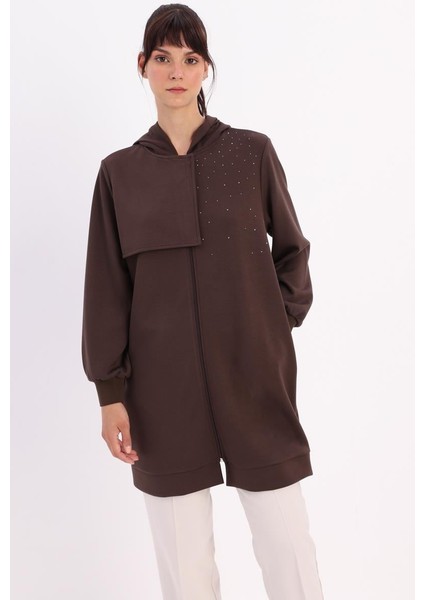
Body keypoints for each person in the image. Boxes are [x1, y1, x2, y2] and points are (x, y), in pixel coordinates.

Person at [81, 3, 325, 599]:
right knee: (185, 568)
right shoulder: (119, 174)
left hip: (254, 377)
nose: (176, 72)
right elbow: (106, 290)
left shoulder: (250, 152)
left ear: (206, 68)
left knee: (288, 549)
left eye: (190, 59)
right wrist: (110, 394)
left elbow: (293, 250)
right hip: (160, 392)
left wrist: (272, 324)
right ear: (142, 65)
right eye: (163, 58)